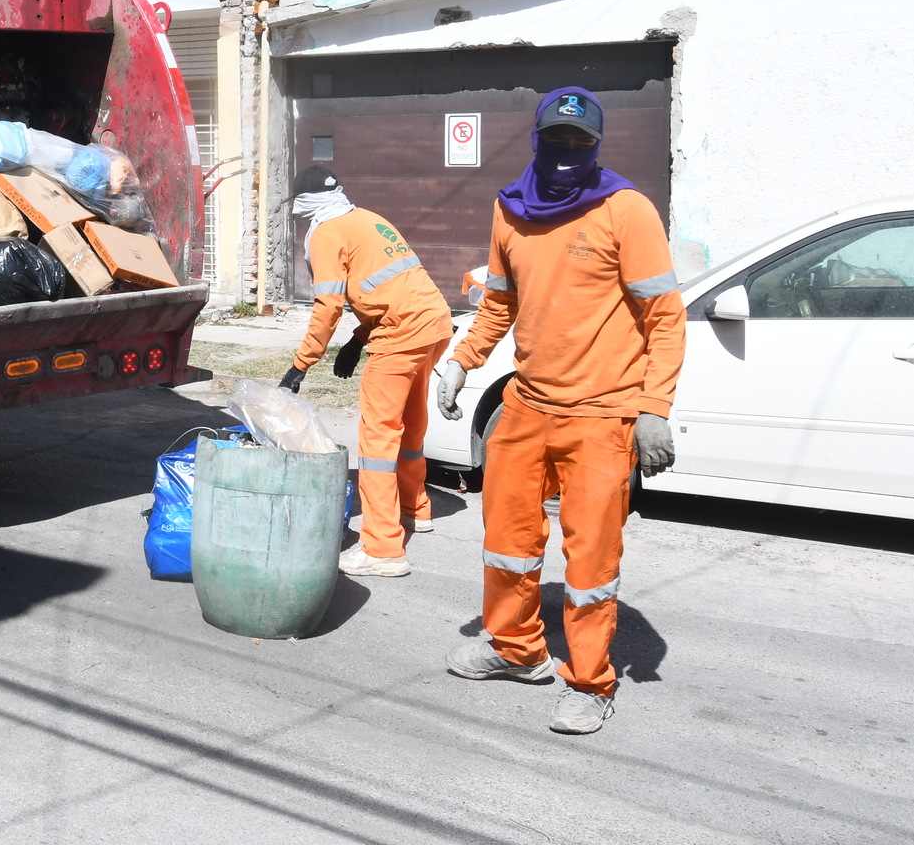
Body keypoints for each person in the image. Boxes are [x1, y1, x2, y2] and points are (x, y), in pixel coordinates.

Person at [437, 87, 683, 735]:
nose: (568, 150)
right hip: (526, 405)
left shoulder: (626, 210)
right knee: (507, 542)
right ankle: (516, 649)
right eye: (558, 138)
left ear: (596, 145)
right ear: (538, 139)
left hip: (603, 416)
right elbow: (497, 304)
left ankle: (591, 681)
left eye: (581, 141)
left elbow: (665, 317)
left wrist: (653, 408)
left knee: (591, 558)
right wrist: (463, 361)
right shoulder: (510, 211)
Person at [280, 165, 454, 578]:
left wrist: (300, 364)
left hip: (400, 335)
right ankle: (415, 509)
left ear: (303, 204)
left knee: (377, 442)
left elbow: (328, 305)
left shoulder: (325, 233)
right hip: (433, 323)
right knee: (410, 428)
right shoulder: (369, 219)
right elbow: (390, 287)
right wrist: (359, 339)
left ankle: (381, 548)